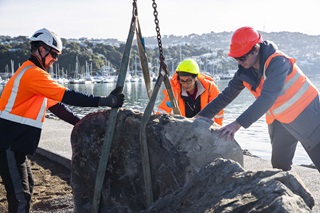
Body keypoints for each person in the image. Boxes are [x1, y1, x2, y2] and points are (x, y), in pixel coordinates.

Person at [0, 28, 125, 212]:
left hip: (14, 144)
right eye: (53, 54)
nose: (55, 59)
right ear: (41, 49)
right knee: (20, 197)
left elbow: (56, 106)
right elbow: (67, 96)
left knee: (27, 188)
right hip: (8, 143)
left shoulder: (31, 74)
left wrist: (79, 123)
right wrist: (104, 101)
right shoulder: (33, 74)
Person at [196, 26, 320, 172]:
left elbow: (267, 98)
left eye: (242, 57)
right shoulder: (244, 71)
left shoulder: (278, 62)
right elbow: (226, 96)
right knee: (279, 166)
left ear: (256, 49)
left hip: (307, 115)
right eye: (236, 58)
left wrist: (237, 124)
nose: (239, 62)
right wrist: (199, 118)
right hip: (280, 120)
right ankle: (286, 193)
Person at [157, 58, 224, 125]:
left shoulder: (210, 88)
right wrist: (155, 122)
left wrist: (217, 131)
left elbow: (219, 112)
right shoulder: (175, 91)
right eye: (182, 81)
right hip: (184, 128)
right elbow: (163, 110)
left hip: (204, 127)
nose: (185, 84)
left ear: (196, 78)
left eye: (188, 80)